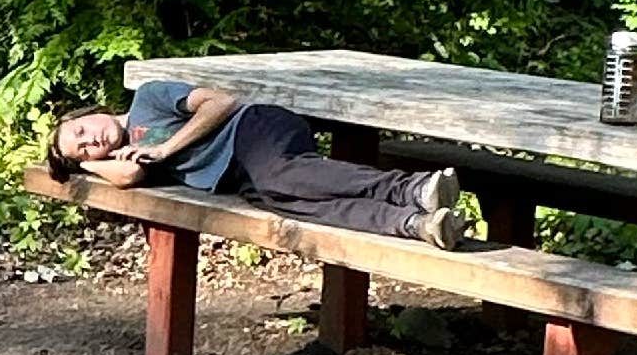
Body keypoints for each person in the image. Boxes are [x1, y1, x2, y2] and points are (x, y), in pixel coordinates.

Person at [49, 81, 475, 243]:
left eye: (82, 130)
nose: (91, 141)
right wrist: (83, 166)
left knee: (279, 177)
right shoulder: (124, 157)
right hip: (243, 177)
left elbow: (222, 102)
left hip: (255, 129)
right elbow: (128, 175)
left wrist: (166, 149)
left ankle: (413, 188)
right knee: (298, 205)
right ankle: (414, 223)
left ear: (90, 112)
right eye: (83, 149)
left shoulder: (149, 99)